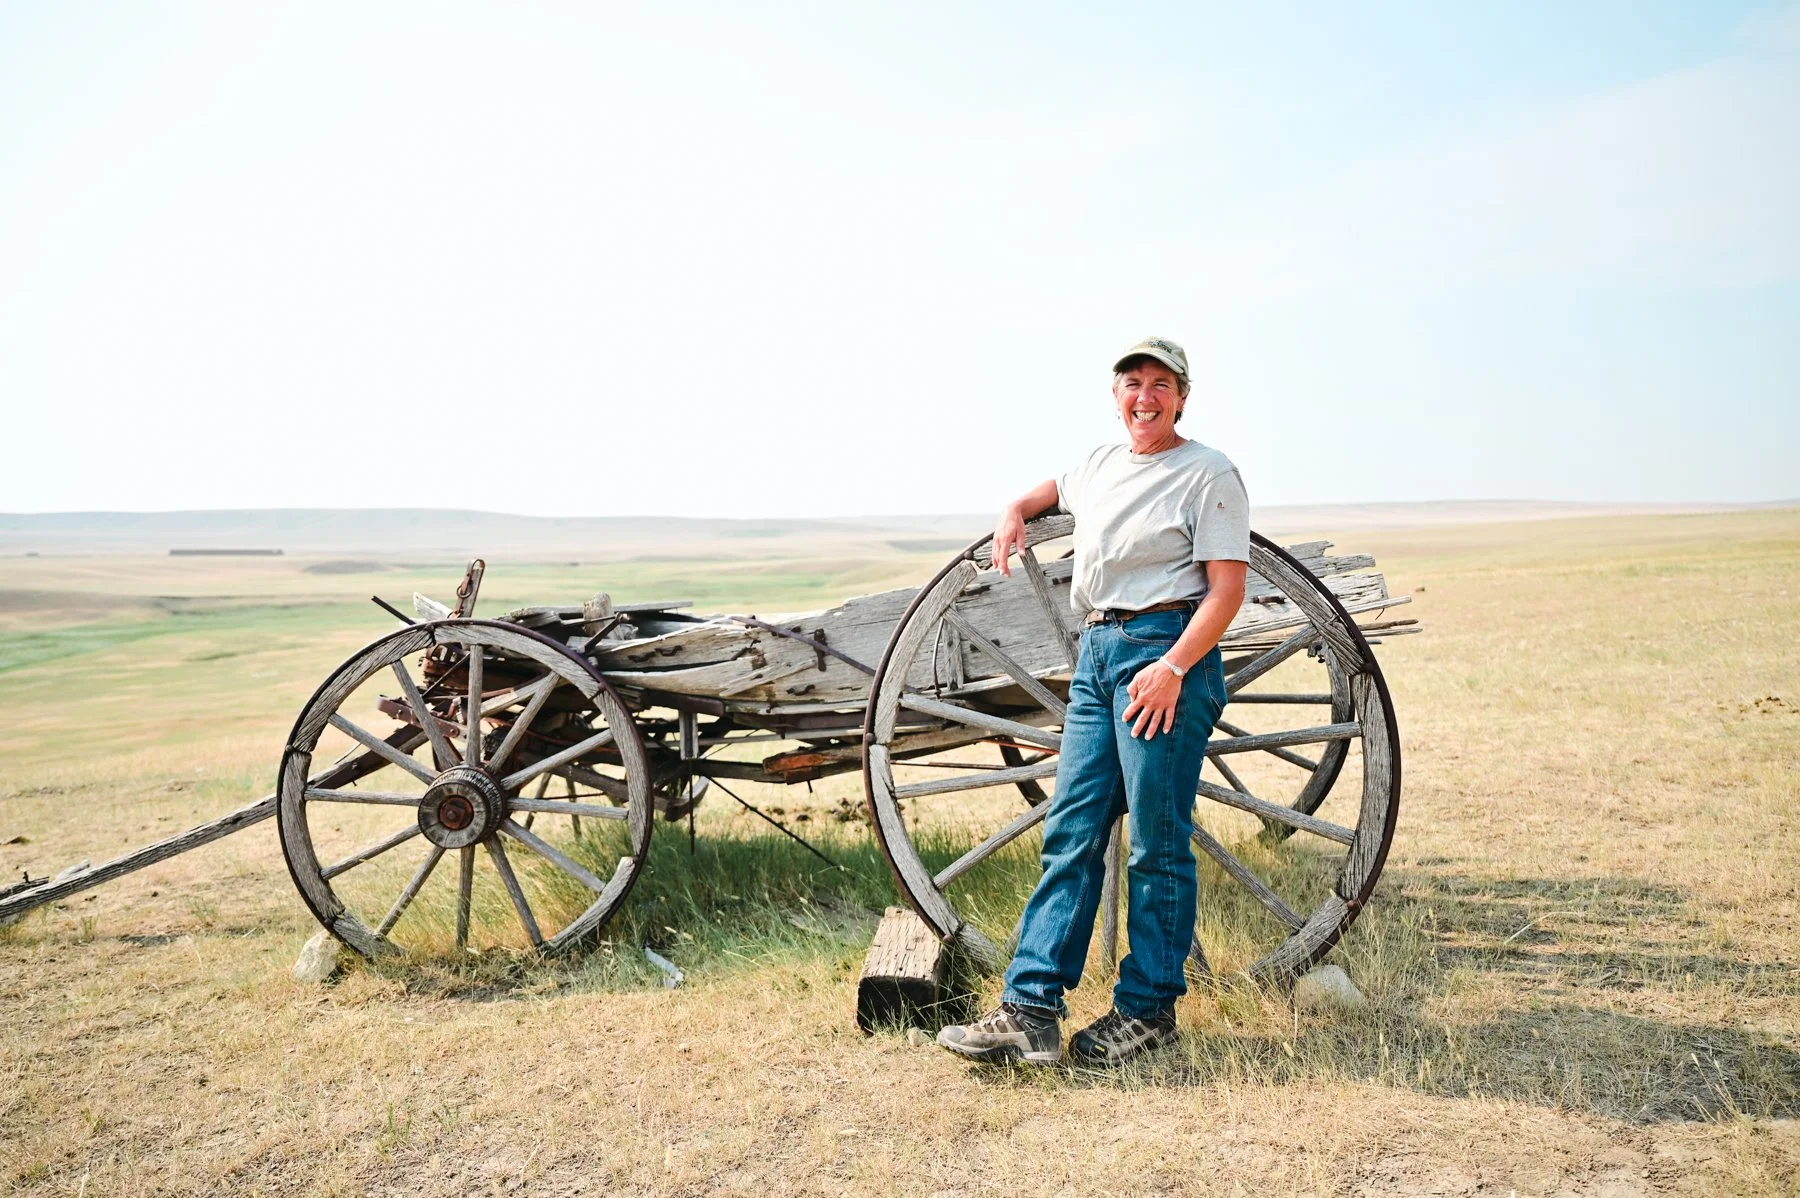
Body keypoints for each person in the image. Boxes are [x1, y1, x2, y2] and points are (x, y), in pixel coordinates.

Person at [936, 336, 1249, 1066]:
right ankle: (1030, 1010)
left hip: (1165, 654)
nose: (1145, 396)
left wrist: (1172, 667)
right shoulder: (1100, 465)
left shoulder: (1209, 473)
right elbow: (1051, 491)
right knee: (1070, 831)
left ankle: (1147, 1012)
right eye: (1132, 383)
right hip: (1099, 655)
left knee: (1157, 842)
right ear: (1116, 396)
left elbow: (1227, 589)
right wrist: (1014, 506)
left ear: (1182, 396)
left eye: (1160, 384)